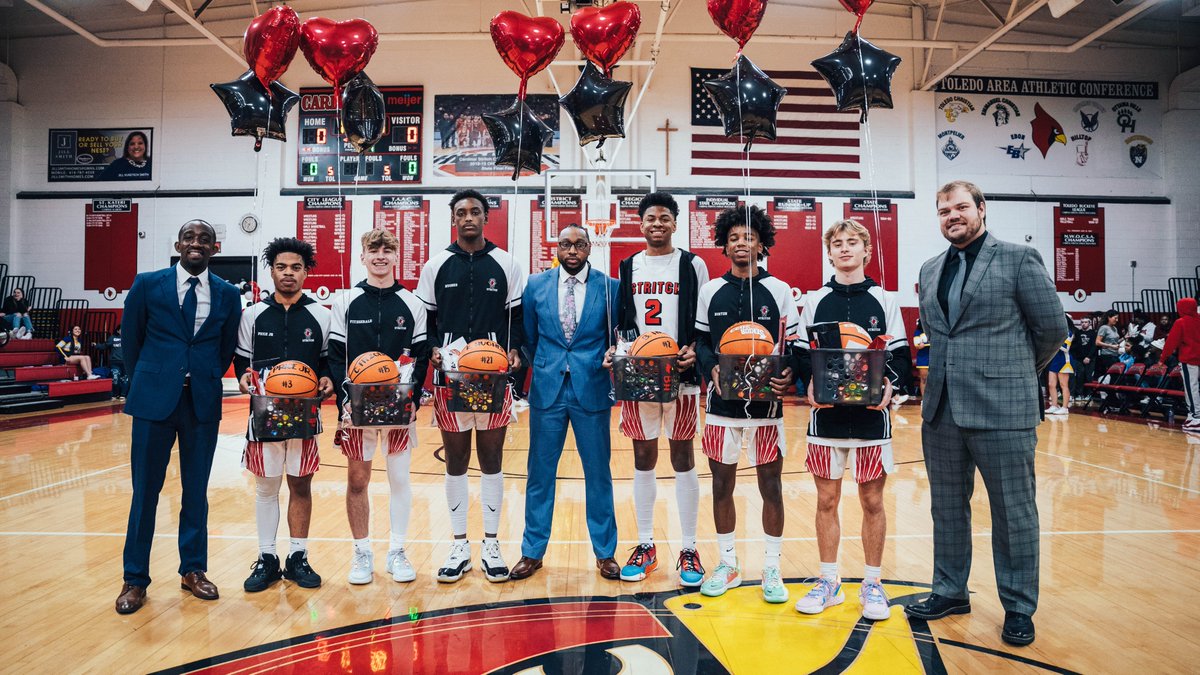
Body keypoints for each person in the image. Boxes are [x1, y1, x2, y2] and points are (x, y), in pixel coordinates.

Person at [905, 181, 1065, 647]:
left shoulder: (1018, 259)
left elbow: (1052, 329)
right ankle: (950, 591)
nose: (952, 216)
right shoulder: (930, 268)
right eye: (943, 211)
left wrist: (1013, 374)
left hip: (1003, 408)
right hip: (942, 409)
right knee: (946, 508)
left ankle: (1018, 607)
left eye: (960, 207)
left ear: (981, 209)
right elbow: (938, 332)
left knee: (1013, 513)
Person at [115, 219, 242, 614]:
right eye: (189, 237)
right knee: (145, 492)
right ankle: (135, 579)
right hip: (153, 400)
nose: (196, 243)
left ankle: (193, 570)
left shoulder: (227, 294)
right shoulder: (147, 285)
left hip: (201, 401)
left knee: (196, 491)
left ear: (215, 248)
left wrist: (201, 375)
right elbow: (132, 341)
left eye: (204, 239)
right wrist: (150, 379)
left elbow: (225, 348)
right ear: (178, 245)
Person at [793, 219, 910, 620]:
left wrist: (891, 385)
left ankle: (873, 583)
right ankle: (829, 582)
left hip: (870, 419)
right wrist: (807, 381)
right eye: (837, 243)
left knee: (872, 500)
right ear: (829, 253)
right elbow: (800, 353)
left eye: (852, 242)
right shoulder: (815, 299)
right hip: (826, 418)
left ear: (866, 250)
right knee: (826, 500)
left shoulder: (884, 299)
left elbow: (900, 357)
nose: (845, 248)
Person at [416, 189, 526, 583]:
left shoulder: (507, 264)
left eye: (475, 211)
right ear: (453, 219)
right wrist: (432, 349)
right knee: (456, 460)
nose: (468, 218)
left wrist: (516, 351)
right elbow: (425, 324)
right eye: (461, 212)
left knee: (492, 459)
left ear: (485, 217)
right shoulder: (435, 265)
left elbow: (518, 321)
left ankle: (492, 545)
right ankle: (459, 545)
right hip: (450, 377)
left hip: (493, 377)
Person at [694, 206, 798, 604]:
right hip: (722, 406)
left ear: (762, 244)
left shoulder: (780, 290)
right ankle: (728, 563)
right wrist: (709, 368)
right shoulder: (710, 291)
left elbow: (793, 347)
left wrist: (789, 374)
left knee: (771, 485)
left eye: (749, 237)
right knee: (722, 484)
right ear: (724, 245)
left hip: (767, 408)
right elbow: (702, 342)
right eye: (734, 238)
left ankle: (772, 566)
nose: (741, 244)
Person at [509, 225, 621, 581]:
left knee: (598, 474)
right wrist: (542, 364)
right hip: (548, 389)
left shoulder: (610, 287)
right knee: (539, 474)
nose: (572, 250)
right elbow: (529, 336)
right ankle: (532, 551)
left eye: (579, 244)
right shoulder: (535, 285)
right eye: (565, 244)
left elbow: (618, 335)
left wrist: (612, 353)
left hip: (592, 386)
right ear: (556, 248)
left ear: (590, 247)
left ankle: (605, 553)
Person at [612, 192, 709, 586]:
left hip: (680, 374)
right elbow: (625, 320)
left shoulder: (692, 264)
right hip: (641, 375)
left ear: (675, 223)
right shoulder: (629, 265)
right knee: (643, 456)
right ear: (641, 224)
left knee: (683, 456)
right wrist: (620, 350)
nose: (657, 224)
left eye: (664, 218)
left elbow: (703, 319)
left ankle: (689, 548)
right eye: (650, 218)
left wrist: (695, 349)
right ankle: (645, 544)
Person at [330, 229, 431, 585]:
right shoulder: (345, 300)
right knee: (357, 481)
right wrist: (345, 399)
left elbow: (420, 357)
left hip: (398, 407)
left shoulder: (413, 303)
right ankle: (362, 553)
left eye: (388, 250)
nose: (381, 255)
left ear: (396, 256)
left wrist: (412, 399)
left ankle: (397, 551)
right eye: (374, 249)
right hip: (356, 408)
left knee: (399, 479)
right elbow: (335, 356)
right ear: (363, 256)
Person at [234, 238, 335, 592]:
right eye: (281, 267)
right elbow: (241, 360)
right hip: (265, 412)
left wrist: (327, 378)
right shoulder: (252, 315)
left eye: (295, 267)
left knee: (300, 485)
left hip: (305, 413)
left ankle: (297, 557)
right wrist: (242, 377)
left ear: (306, 272)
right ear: (272, 271)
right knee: (266, 487)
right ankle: (267, 558)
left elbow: (327, 361)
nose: (288, 273)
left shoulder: (322, 315)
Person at [1160, 297, 1200, 432]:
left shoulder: (1181, 322)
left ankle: (1196, 417)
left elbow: (1171, 342)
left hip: (1189, 359)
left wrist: (1162, 359)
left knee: (1191, 388)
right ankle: (1192, 415)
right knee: (1194, 388)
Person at [1045, 314, 1075, 415]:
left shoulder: (1069, 332)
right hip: (1055, 359)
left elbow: (1066, 348)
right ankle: (1054, 405)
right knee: (1051, 384)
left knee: (1063, 385)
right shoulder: (1057, 332)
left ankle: (1065, 408)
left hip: (1065, 360)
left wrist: (1053, 343)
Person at [1069, 316, 1096, 402]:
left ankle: (1088, 393)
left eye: (1086, 322)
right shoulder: (1078, 332)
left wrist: (1088, 357)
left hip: (1090, 358)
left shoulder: (1093, 333)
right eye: (1082, 322)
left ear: (1089, 323)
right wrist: (1082, 357)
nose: (1084, 324)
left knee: (1088, 376)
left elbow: (1094, 346)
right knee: (1079, 376)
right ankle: (1079, 394)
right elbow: (1077, 346)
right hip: (1079, 358)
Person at [1095, 310, 1123, 378]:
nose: (1117, 320)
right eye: (1115, 318)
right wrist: (1111, 346)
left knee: (1118, 375)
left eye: (1117, 318)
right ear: (1109, 317)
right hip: (1107, 355)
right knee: (1114, 375)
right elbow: (1097, 342)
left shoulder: (1114, 328)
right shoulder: (1104, 328)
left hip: (1115, 354)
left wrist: (1124, 338)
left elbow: (1114, 342)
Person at [913, 317, 930, 397]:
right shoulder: (918, 332)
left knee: (935, 380)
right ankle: (924, 399)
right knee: (923, 379)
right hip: (923, 357)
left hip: (935, 357)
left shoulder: (935, 331)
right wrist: (920, 345)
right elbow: (917, 345)